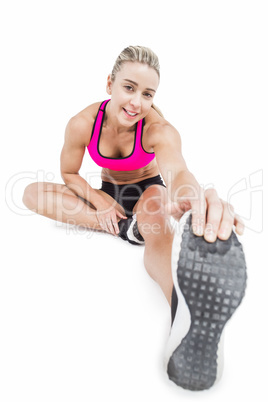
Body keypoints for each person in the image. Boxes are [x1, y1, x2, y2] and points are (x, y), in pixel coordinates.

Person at [23, 46, 247, 391]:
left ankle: (181, 308)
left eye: (147, 94)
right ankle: (127, 229)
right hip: (107, 195)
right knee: (31, 193)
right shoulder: (82, 123)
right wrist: (98, 199)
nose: (136, 102)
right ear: (110, 83)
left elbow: (178, 172)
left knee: (156, 211)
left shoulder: (159, 130)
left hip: (149, 193)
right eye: (129, 88)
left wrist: (191, 198)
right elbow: (69, 173)